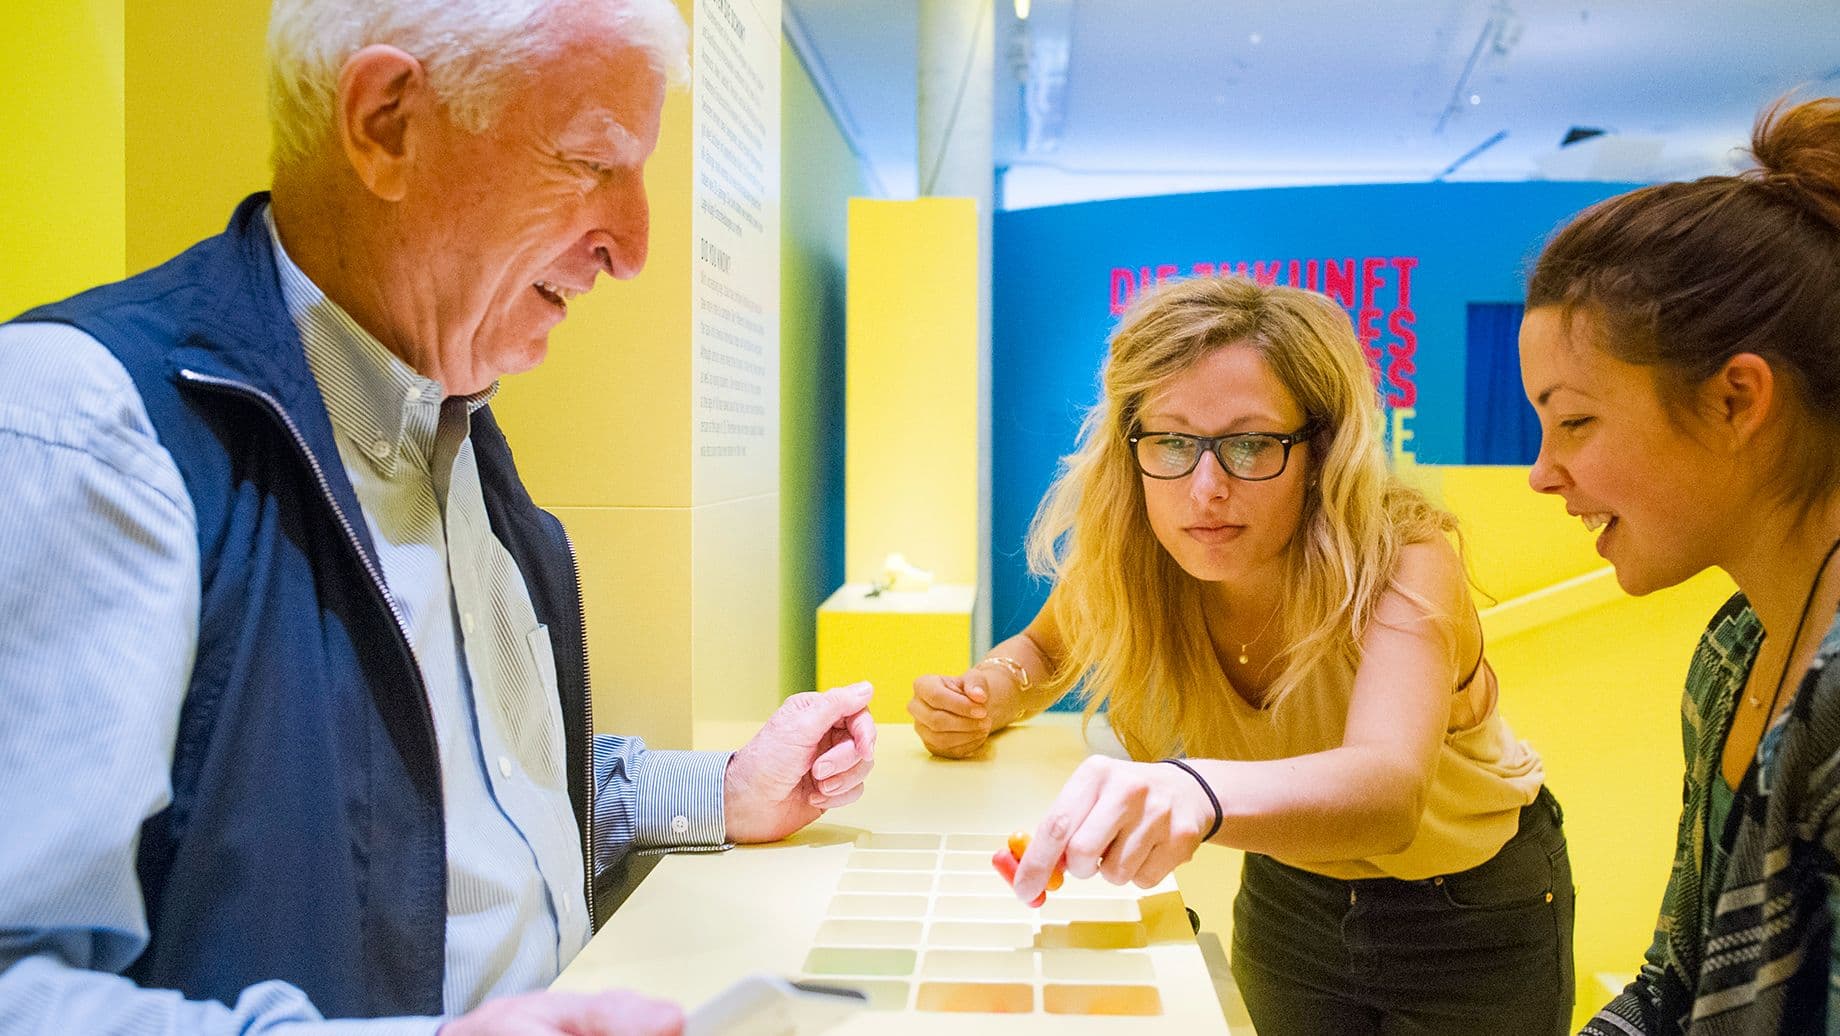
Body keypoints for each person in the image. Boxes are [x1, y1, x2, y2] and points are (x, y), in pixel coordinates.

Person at [0, 1, 875, 1033]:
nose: (631, 247)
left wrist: (721, 789)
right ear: (387, 123)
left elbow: (449, 803)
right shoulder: (88, 429)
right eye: (594, 162)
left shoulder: (445, 416)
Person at [911, 275, 1574, 1034]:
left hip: (1475, 914)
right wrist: (988, 692)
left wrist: (1189, 787)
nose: (1205, 489)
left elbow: (1387, 794)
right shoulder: (1139, 556)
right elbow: (1043, 649)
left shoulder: (1401, 556)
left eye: (1251, 444)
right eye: (1171, 442)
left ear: (1319, 449)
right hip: (1292, 895)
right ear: (1134, 448)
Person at [1519, 96, 1840, 1034]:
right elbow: (1675, 983)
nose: (1544, 475)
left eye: (1575, 420)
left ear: (1738, 399)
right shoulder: (1734, 653)